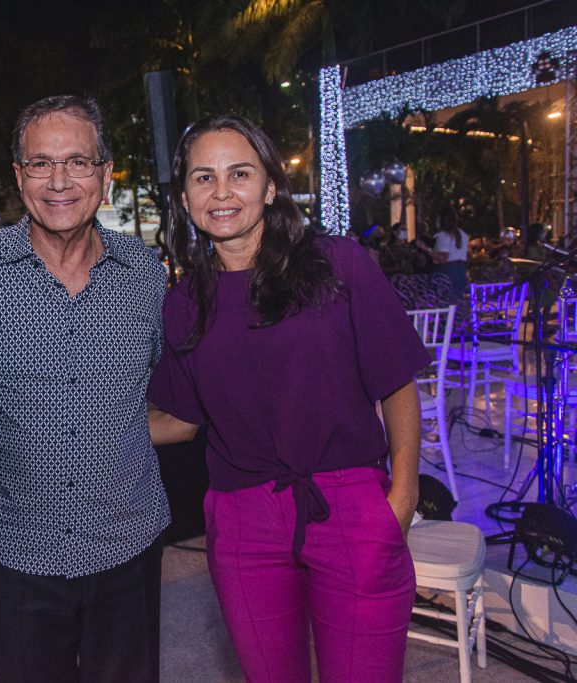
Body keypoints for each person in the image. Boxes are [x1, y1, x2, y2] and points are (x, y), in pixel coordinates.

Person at [147, 113, 429, 681]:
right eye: (203, 177)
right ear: (184, 196)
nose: (222, 192)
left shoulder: (336, 263)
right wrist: (79, 420)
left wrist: (401, 494)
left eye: (240, 173)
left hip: (349, 503)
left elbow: (397, 383)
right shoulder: (183, 302)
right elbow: (180, 419)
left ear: (270, 186)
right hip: (241, 519)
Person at [0, 95, 170, 682]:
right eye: (40, 163)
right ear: (18, 176)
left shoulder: (145, 273)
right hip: (17, 553)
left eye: (78, 162)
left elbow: (168, 390)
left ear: (105, 174)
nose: (59, 181)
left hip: (128, 543)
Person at [433, 206, 469, 302]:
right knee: (457, 299)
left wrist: (426, 249)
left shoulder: (443, 235)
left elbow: (443, 257)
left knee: (445, 299)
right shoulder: (463, 234)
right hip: (460, 269)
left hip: (447, 270)